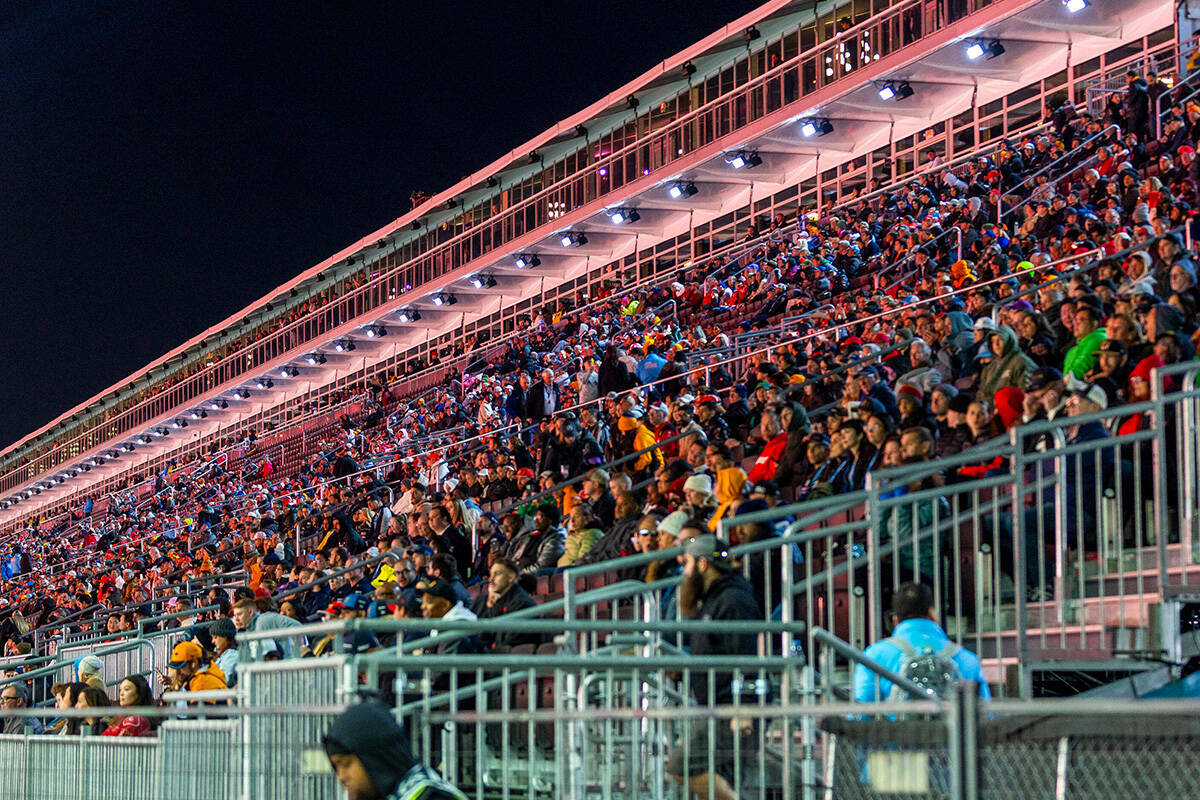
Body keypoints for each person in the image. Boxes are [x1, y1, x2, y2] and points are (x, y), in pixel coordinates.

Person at [665, 533, 764, 800]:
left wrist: (742, 707)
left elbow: (746, 655)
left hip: (734, 706)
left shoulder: (732, 600)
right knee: (723, 781)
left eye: (687, 563)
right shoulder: (716, 599)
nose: (683, 571)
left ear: (702, 565)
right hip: (719, 705)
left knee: (681, 766)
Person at [853, 583, 989, 702]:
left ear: (895, 620)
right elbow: (985, 713)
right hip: (950, 731)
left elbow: (861, 711)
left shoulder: (874, 655)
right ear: (932, 613)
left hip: (897, 730)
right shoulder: (967, 658)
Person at [323, 702, 466, 800]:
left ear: (375, 757)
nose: (341, 776)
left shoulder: (431, 796)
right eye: (336, 767)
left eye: (346, 764)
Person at [471, 557, 536, 651]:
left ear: (511, 577)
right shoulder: (486, 601)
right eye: (491, 574)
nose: (491, 579)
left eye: (497, 574)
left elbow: (505, 644)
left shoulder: (522, 604)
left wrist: (491, 609)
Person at [232, 598, 303, 661]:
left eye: (239, 614)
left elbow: (297, 625)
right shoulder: (249, 629)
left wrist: (296, 655)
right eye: (235, 615)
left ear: (250, 612)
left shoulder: (264, 620)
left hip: (285, 666)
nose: (236, 619)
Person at [162, 640, 228, 696]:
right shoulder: (205, 672)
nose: (180, 671)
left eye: (183, 666)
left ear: (194, 663)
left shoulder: (201, 682)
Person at [209, 617, 240, 688]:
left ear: (225, 636)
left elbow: (224, 680)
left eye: (215, 637)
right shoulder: (224, 654)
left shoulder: (232, 656)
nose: (212, 641)